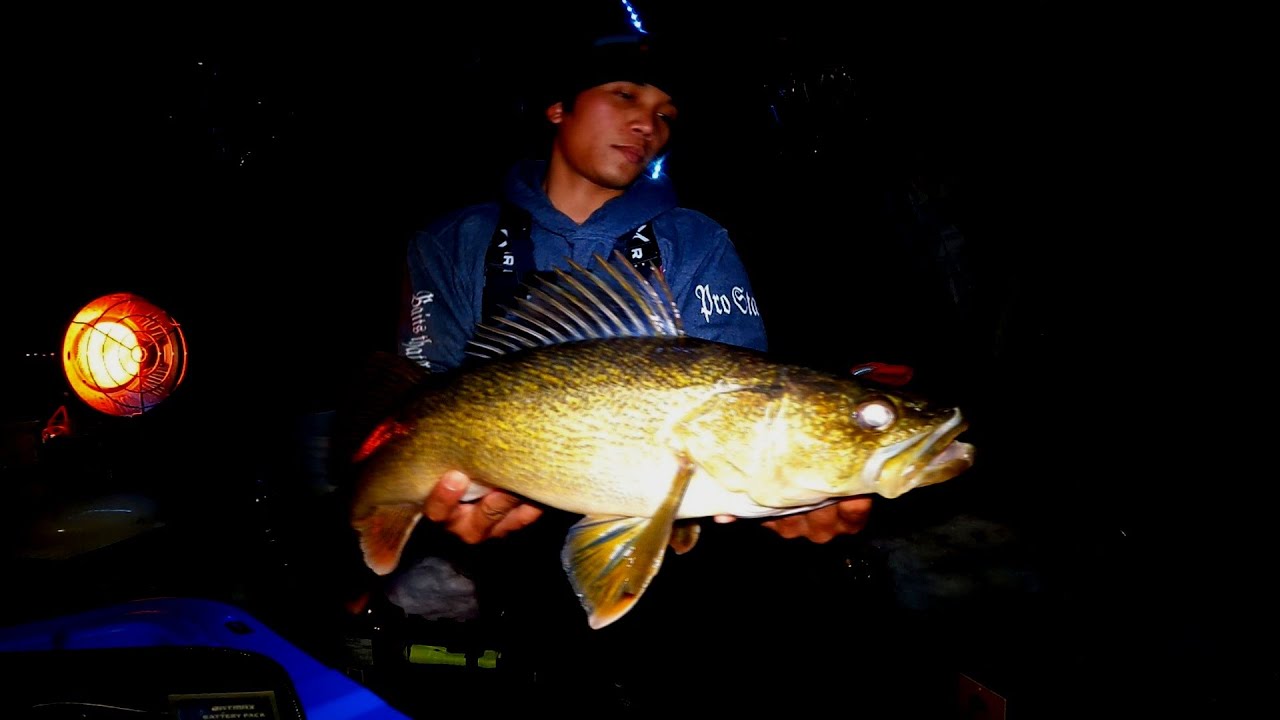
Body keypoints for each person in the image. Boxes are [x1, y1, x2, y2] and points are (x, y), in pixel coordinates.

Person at [399, 32, 874, 552]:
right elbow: (424, 395)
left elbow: (739, 405)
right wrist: (433, 508)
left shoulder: (697, 240)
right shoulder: (451, 241)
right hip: (501, 553)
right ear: (559, 107)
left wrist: (784, 496)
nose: (649, 126)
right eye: (625, 95)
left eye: (666, 114)